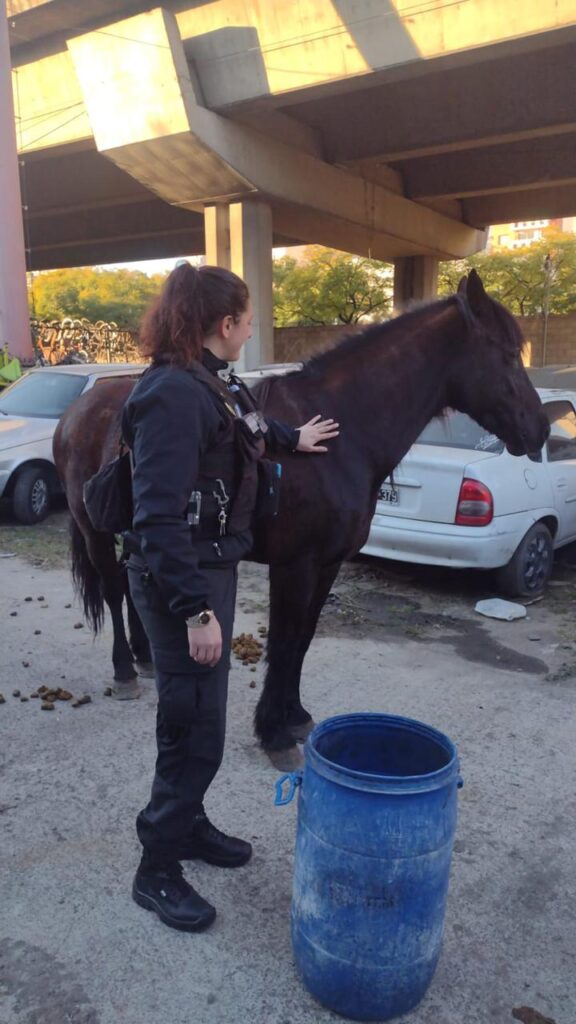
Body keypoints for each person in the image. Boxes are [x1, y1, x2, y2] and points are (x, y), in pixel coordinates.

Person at [122, 262, 339, 932]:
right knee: (198, 729)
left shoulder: (213, 383)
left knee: (196, 717)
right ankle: (156, 868)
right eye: (248, 317)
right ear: (226, 324)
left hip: (207, 570)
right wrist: (196, 610)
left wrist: (292, 438)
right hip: (178, 579)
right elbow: (156, 518)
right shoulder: (172, 395)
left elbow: (247, 424)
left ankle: (185, 824)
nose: (251, 326)